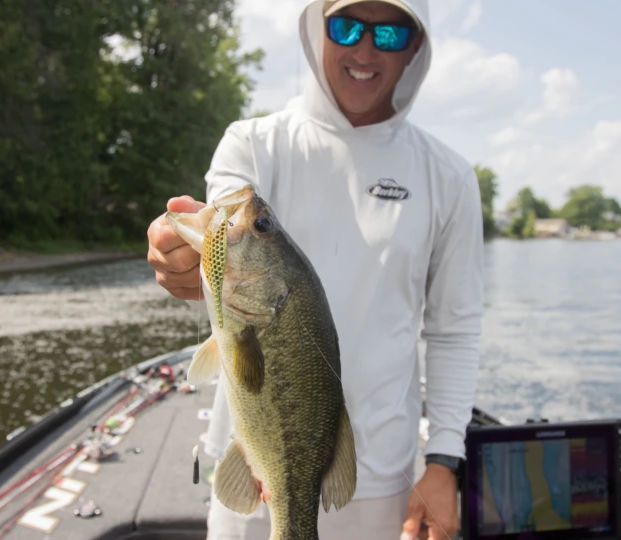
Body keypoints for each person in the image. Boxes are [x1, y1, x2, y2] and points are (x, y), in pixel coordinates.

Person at [146, 0, 483, 538]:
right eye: (346, 26)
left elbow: (454, 332)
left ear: (415, 46)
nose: (364, 49)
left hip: (385, 479)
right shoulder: (252, 143)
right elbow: (215, 241)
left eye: (389, 34)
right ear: (317, 28)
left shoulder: (450, 177)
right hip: (251, 463)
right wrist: (182, 262)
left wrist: (444, 461)